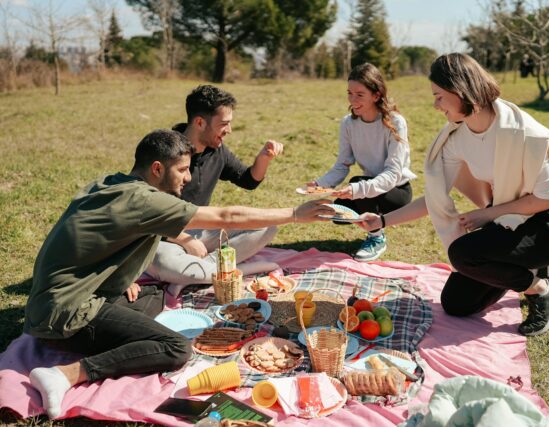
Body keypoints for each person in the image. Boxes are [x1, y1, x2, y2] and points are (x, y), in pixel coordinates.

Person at [25, 129, 333, 419]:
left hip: (62, 297)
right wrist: (295, 214)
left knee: (155, 298)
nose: (188, 178)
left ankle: (126, 340)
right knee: (175, 348)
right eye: (182, 170)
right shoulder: (144, 200)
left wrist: (119, 278)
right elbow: (227, 216)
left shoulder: (114, 183)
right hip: (64, 313)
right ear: (157, 169)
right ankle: (64, 374)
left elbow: (89, 242)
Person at [359, 53, 549, 336]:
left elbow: (546, 199)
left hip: (546, 222)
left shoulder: (522, 132)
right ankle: (526, 270)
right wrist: (381, 221)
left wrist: (485, 214)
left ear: (461, 91)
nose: (435, 105)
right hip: (506, 215)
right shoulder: (457, 139)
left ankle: (541, 289)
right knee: (457, 303)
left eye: (439, 96)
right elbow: (435, 197)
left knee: (463, 254)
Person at [145, 85, 283, 293]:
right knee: (163, 260)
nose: (229, 130)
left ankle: (198, 273)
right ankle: (221, 271)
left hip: (200, 229)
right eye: (224, 124)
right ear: (200, 122)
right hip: (163, 235)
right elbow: (146, 214)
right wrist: (184, 240)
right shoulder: (164, 151)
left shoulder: (216, 151)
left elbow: (248, 180)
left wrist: (264, 157)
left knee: (267, 225)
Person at [307, 63, 416, 262]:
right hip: (370, 186)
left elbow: (392, 173)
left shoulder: (395, 122)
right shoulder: (348, 123)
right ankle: (368, 215)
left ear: (376, 95)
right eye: (349, 93)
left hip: (396, 192)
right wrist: (320, 185)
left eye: (359, 94)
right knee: (338, 213)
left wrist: (358, 189)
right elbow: (342, 164)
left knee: (358, 183)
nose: (352, 100)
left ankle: (376, 237)